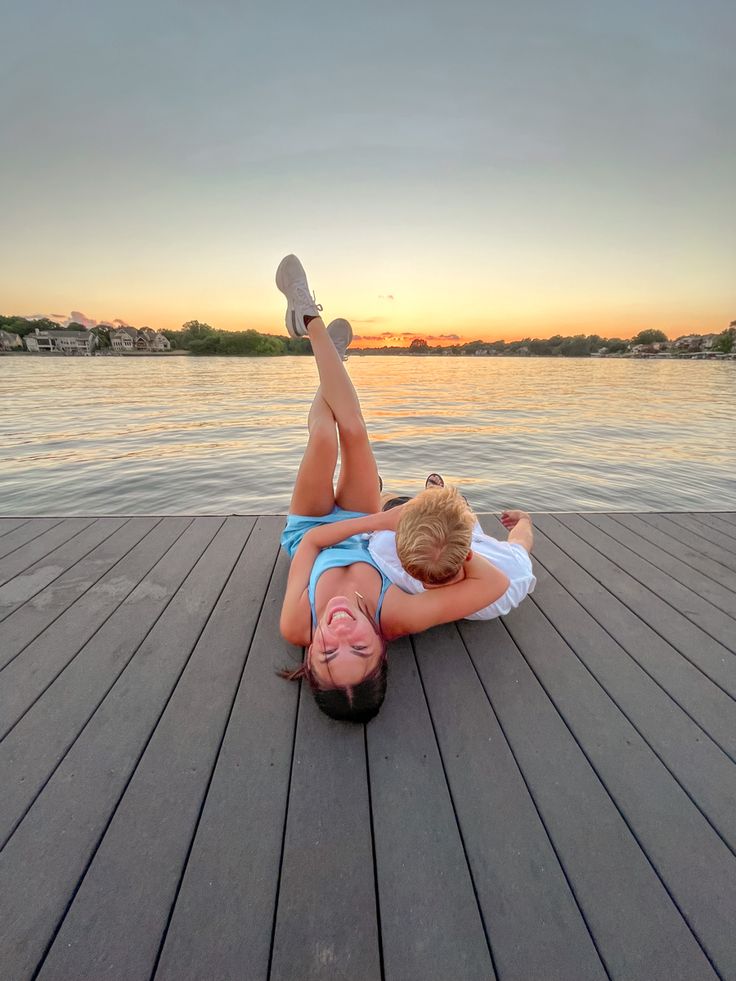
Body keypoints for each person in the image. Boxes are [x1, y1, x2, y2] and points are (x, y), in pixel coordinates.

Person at [275, 254, 511, 722]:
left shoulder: (296, 624)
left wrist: (384, 520)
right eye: (358, 647)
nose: (340, 632)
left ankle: (316, 334)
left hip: (313, 530)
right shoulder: (399, 616)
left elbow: (314, 543)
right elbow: (497, 583)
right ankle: (315, 330)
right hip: (367, 520)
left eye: (326, 654)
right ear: (381, 648)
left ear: (307, 661)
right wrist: (451, 547)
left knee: (324, 436)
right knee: (355, 431)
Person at [368, 479, 536, 619]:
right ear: (470, 555)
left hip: (460, 539)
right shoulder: (516, 575)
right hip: (469, 539)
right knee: (455, 518)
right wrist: (524, 520)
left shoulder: (385, 550)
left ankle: (382, 493)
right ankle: (440, 498)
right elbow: (520, 542)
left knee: (391, 504)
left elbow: (382, 524)